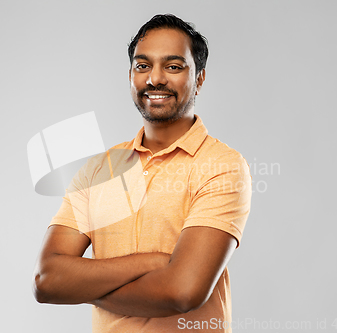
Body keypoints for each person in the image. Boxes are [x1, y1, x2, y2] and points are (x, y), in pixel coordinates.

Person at [32, 14, 252, 332]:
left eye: (173, 66)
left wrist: (83, 285)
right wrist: (152, 263)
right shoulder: (98, 170)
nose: (155, 79)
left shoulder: (221, 166)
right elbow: (47, 281)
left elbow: (182, 291)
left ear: (200, 78)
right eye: (142, 66)